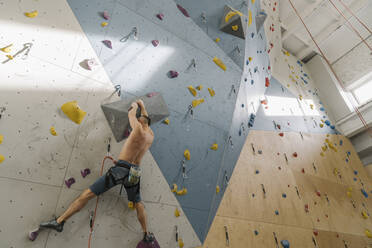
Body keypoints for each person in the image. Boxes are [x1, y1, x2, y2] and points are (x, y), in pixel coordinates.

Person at [39, 99, 155, 242]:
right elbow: (146, 117)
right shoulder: (150, 135)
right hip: (134, 173)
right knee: (138, 203)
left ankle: (60, 222)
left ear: (140, 121)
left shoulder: (137, 128)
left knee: (87, 194)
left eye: (139, 119)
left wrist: (135, 105)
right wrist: (143, 106)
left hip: (120, 170)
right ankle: (146, 233)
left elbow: (131, 113)